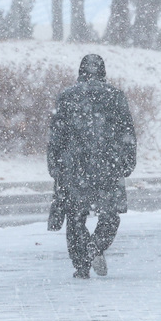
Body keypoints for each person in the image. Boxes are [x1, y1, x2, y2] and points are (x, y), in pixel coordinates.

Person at [47, 54, 137, 278]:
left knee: (75, 216)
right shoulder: (116, 96)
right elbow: (127, 131)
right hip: (108, 164)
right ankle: (96, 246)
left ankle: (81, 266)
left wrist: (55, 164)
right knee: (110, 214)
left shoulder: (67, 97)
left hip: (74, 165)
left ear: (81, 71)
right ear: (103, 72)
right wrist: (127, 160)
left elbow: (57, 135)